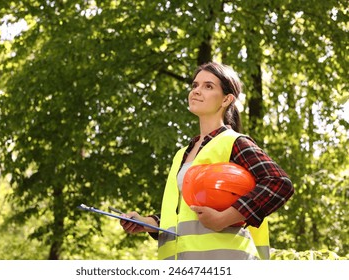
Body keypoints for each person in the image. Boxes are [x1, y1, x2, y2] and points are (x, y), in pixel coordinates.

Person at [120, 62, 294, 260]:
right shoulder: (181, 155)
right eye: (195, 85)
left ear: (227, 99)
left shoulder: (234, 142)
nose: (196, 91)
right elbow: (185, 215)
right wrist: (145, 222)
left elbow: (279, 183)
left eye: (208, 86)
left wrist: (224, 218)